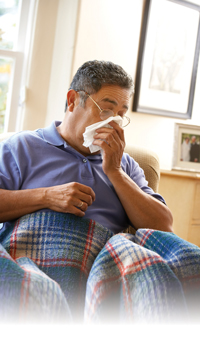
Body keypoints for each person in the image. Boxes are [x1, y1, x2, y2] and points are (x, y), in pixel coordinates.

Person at [0, 60, 173, 235]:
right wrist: (46, 197)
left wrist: (115, 172)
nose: (113, 122)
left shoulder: (125, 165)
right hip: (30, 254)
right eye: (106, 110)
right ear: (72, 100)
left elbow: (164, 228)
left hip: (103, 258)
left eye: (121, 115)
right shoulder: (21, 146)